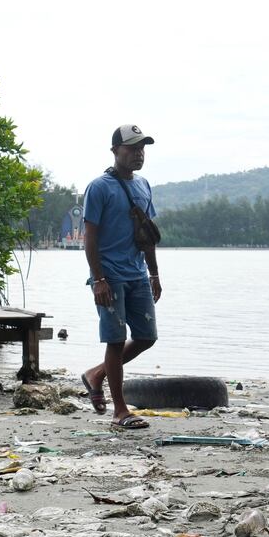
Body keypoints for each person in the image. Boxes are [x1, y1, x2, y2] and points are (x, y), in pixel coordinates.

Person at [79, 124, 161, 429]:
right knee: (115, 340)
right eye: (132, 148)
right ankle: (120, 410)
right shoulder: (99, 187)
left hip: (137, 273)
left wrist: (154, 273)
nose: (138, 154)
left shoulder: (144, 186)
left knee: (146, 337)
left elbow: (147, 235)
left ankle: (96, 374)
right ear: (115, 151)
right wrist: (98, 279)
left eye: (142, 149)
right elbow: (89, 237)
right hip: (109, 275)